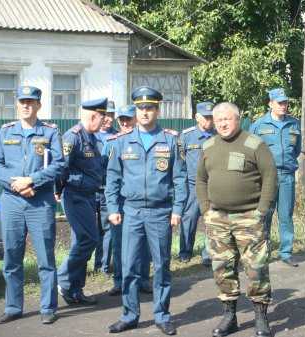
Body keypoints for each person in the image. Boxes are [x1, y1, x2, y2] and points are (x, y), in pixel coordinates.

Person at [106, 87, 187, 335]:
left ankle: (162, 315)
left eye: (149, 107)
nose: (144, 112)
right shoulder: (121, 142)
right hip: (131, 212)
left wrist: (177, 209)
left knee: (162, 266)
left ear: (157, 110)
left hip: (160, 212)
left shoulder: (171, 140)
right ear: (135, 111)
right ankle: (129, 315)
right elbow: (112, 178)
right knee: (129, 266)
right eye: (140, 108)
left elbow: (180, 179)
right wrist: (112, 208)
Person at [197, 102, 277, 337]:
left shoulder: (254, 144)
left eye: (227, 119)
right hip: (217, 218)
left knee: (256, 269)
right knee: (222, 268)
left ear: (238, 119)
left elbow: (270, 177)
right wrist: (205, 209)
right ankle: (229, 316)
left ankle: (261, 319)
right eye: (218, 119)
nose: (222, 123)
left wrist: (261, 210)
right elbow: (200, 180)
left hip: (248, 217)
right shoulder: (209, 145)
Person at [0, 85, 64, 324]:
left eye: (30, 102)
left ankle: (48, 308)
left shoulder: (50, 132)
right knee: (12, 256)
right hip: (12, 201)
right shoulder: (6, 132)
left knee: (45, 258)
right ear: (17, 104)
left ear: (39, 105)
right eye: (22, 101)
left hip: (39, 202)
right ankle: (13, 307)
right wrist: (17, 185)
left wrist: (32, 180)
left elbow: (58, 165)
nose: (25, 105)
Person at [56, 97, 106, 305]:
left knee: (82, 241)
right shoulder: (73, 137)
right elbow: (61, 167)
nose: (104, 123)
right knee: (89, 239)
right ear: (93, 116)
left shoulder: (91, 137)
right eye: (102, 119)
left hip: (88, 195)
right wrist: (58, 190)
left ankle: (76, 290)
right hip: (75, 195)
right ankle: (63, 279)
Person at [249, 88, 301, 267]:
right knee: (265, 214)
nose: (284, 106)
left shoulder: (294, 124)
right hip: (266, 177)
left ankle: (286, 252)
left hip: (287, 175)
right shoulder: (258, 125)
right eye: (280, 103)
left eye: (285, 102)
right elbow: (251, 151)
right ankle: (263, 251)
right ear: (270, 104)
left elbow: (296, 149)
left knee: (286, 215)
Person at [103, 104, 152, 296]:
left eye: (128, 119)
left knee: (144, 242)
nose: (124, 123)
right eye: (121, 119)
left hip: (140, 199)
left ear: (136, 119)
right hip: (120, 201)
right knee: (119, 242)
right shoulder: (113, 142)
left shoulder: (147, 140)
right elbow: (108, 175)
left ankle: (143, 279)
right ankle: (119, 280)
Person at [178, 101, 216, 266]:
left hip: (212, 186)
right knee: (189, 219)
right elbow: (180, 163)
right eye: (206, 117)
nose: (209, 121)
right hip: (193, 186)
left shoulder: (218, 136)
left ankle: (208, 254)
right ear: (197, 117)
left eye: (211, 117)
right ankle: (185, 251)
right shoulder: (187, 136)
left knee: (211, 220)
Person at [93, 100, 118, 274]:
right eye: (105, 115)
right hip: (89, 190)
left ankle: (102, 266)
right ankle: (81, 266)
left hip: (107, 190)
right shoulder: (89, 135)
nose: (108, 119)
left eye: (111, 115)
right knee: (87, 230)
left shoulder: (118, 137)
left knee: (107, 229)